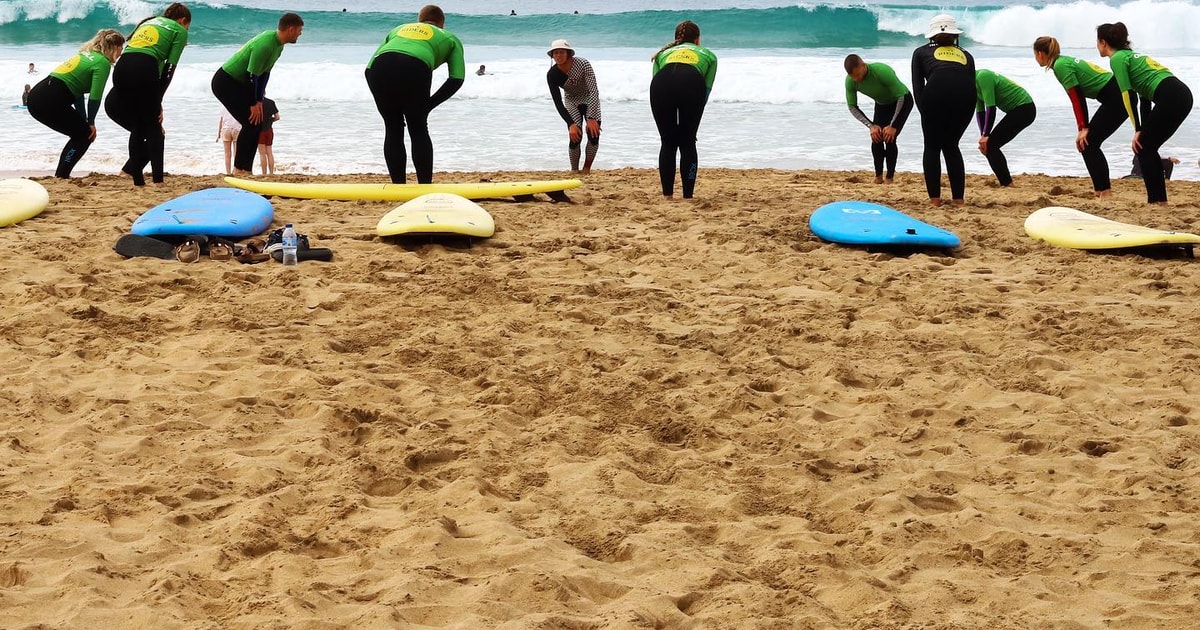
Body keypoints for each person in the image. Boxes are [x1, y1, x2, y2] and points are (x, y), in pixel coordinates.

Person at [365, 5, 465, 184]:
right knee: (418, 127)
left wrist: (379, 95)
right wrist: (429, 104)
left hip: (380, 67)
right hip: (414, 67)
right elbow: (456, 79)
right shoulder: (449, 37)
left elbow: (368, 69)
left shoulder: (398, 29)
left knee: (393, 127)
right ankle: (424, 185)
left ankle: (398, 186)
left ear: (419, 20)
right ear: (441, 23)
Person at [1097, 22, 1193, 205]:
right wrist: (1142, 129)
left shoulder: (1116, 59)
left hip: (1170, 95)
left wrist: (1138, 130)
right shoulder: (1131, 56)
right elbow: (1144, 99)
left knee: (1143, 147)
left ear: (1102, 42)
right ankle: (1159, 201)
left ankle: (1155, 201)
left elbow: (1128, 95)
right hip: (1182, 94)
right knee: (1147, 147)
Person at [104, 2, 191, 186]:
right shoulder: (179, 30)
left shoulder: (149, 22)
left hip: (121, 68)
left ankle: (137, 180)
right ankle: (158, 181)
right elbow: (169, 69)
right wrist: (157, 101)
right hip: (144, 68)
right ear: (183, 20)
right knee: (154, 126)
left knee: (138, 123)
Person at [1033, 36, 1127, 197]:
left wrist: (1083, 128)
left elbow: (1077, 98)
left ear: (1041, 53)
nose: (1035, 58)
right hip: (1116, 95)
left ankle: (1104, 192)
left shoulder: (1061, 66)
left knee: (1087, 142)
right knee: (1089, 143)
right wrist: (1083, 127)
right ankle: (1102, 191)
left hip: (1117, 96)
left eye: (1035, 54)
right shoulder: (1062, 62)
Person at [212, 12, 304, 176]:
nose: (300, 34)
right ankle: (239, 169)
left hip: (240, 83)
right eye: (299, 30)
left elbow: (264, 74)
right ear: (291, 29)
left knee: (256, 123)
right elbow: (251, 76)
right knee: (250, 122)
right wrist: (253, 103)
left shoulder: (278, 46)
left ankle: (245, 169)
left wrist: (260, 100)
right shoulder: (266, 44)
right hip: (225, 82)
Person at [26, 29, 125, 178]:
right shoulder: (102, 63)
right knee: (85, 135)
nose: (121, 52)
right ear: (113, 47)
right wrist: (90, 123)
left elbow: (77, 94)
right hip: (49, 101)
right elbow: (95, 97)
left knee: (81, 132)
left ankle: (61, 175)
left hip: (37, 96)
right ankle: (62, 175)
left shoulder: (85, 55)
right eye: (120, 47)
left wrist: (84, 120)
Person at [911, 14, 976, 206]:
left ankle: (935, 200)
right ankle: (958, 200)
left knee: (932, 146)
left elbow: (918, 87)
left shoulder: (920, 52)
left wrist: (925, 111)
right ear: (954, 35)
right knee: (952, 146)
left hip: (936, 93)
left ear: (932, 35)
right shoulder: (967, 55)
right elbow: (971, 84)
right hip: (966, 98)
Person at [650, 20, 717, 199]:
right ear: (697, 40)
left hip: (660, 84)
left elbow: (655, 79)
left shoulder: (662, 54)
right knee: (687, 142)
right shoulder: (709, 55)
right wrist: (692, 120)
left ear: (676, 40)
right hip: (691, 83)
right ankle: (687, 195)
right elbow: (706, 91)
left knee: (667, 142)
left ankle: (667, 196)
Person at [843, 54, 913, 184]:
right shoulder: (850, 81)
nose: (857, 79)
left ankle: (889, 177)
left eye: (858, 75)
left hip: (902, 101)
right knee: (876, 137)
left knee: (890, 137)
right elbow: (852, 107)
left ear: (864, 66)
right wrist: (871, 126)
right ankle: (878, 176)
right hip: (882, 105)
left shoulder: (881, 71)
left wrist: (893, 125)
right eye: (853, 77)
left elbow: (901, 97)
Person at [547, 39, 601, 174]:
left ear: (568, 53)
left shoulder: (583, 64)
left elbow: (593, 90)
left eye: (561, 52)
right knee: (575, 136)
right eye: (555, 53)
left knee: (593, 135)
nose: (558, 56)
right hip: (572, 100)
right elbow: (558, 102)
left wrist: (592, 117)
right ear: (552, 55)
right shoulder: (552, 74)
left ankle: (587, 169)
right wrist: (570, 123)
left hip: (590, 98)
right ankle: (574, 170)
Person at [975, 69, 1036, 187]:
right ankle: (1007, 183)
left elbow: (991, 108)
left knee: (991, 145)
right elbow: (980, 112)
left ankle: (1007, 184)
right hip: (1017, 110)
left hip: (1025, 108)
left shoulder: (983, 76)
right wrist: (983, 136)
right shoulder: (971, 85)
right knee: (988, 146)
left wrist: (987, 135)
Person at [257, 97, 280, 174]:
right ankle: (271, 173)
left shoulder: (256, 103)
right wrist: (270, 120)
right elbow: (277, 117)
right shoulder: (271, 102)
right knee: (269, 152)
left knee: (262, 153)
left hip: (260, 131)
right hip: (269, 130)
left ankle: (264, 173)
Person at [216, 106, 241, 175]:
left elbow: (221, 120)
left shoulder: (224, 106)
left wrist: (218, 133)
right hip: (237, 128)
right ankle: (235, 170)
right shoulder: (239, 105)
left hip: (226, 129)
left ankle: (228, 172)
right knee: (236, 153)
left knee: (227, 153)